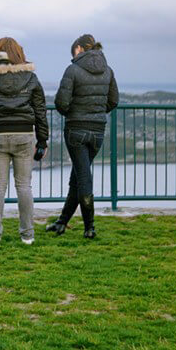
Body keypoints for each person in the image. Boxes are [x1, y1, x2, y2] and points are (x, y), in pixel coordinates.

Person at [0, 38, 48, 246]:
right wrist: (42, 141)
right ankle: (27, 234)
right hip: (24, 135)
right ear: (18, 53)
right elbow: (40, 111)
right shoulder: (30, 78)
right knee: (24, 185)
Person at [48, 34, 118, 239]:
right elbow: (114, 101)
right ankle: (61, 223)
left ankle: (90, 228)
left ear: (79, 49)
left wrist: (74, 113)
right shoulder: (108, 70)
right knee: (78, 177)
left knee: (83, 179)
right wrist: (95, 112)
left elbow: (61, 102)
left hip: (76, 130)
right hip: (98, 130)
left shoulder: (72, 70)